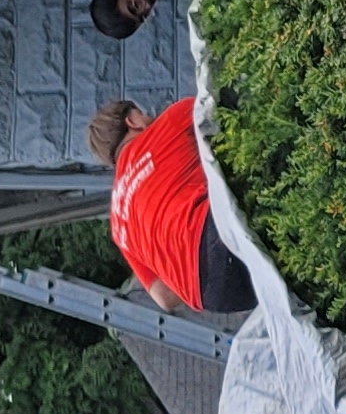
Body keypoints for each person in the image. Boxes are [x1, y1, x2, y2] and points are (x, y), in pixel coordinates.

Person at [91, 96, 254, 315]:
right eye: (143, 112)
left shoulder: (119, 223)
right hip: (219, 233)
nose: (150, 116)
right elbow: (218, 96)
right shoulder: (167, 123)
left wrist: (195, 265)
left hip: (215, 297)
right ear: (132, 120)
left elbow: (164, 297)